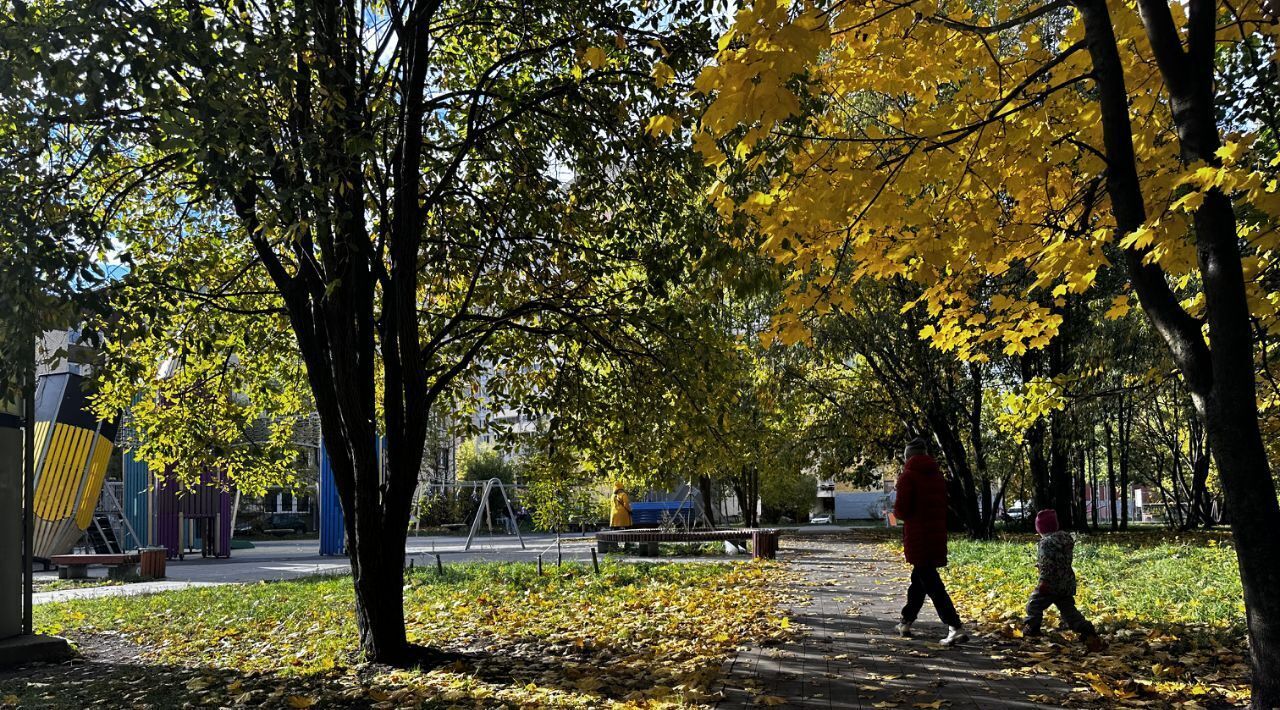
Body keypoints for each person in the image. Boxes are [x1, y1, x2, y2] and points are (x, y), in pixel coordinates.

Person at [893, 437, 968, 646]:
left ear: (908, 457)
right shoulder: (937, 475)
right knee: (919, 580)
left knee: (932, 584)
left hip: (918, 537)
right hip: (936, 534)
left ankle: (955, 626)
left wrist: (897, 509)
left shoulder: (907, 477)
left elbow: (902, 510)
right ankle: (906, 621)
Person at [1023, 509, 1104, 651]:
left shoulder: (1045, 544)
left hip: (1050, 583)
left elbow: (1048, 565)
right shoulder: (1065, 540)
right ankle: (1085, 629)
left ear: (1041, 529)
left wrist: (1043, 581)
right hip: (1066, 582)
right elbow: (1059, 561)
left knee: (1034, 605)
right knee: (1068, 610)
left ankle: (1032, 628)